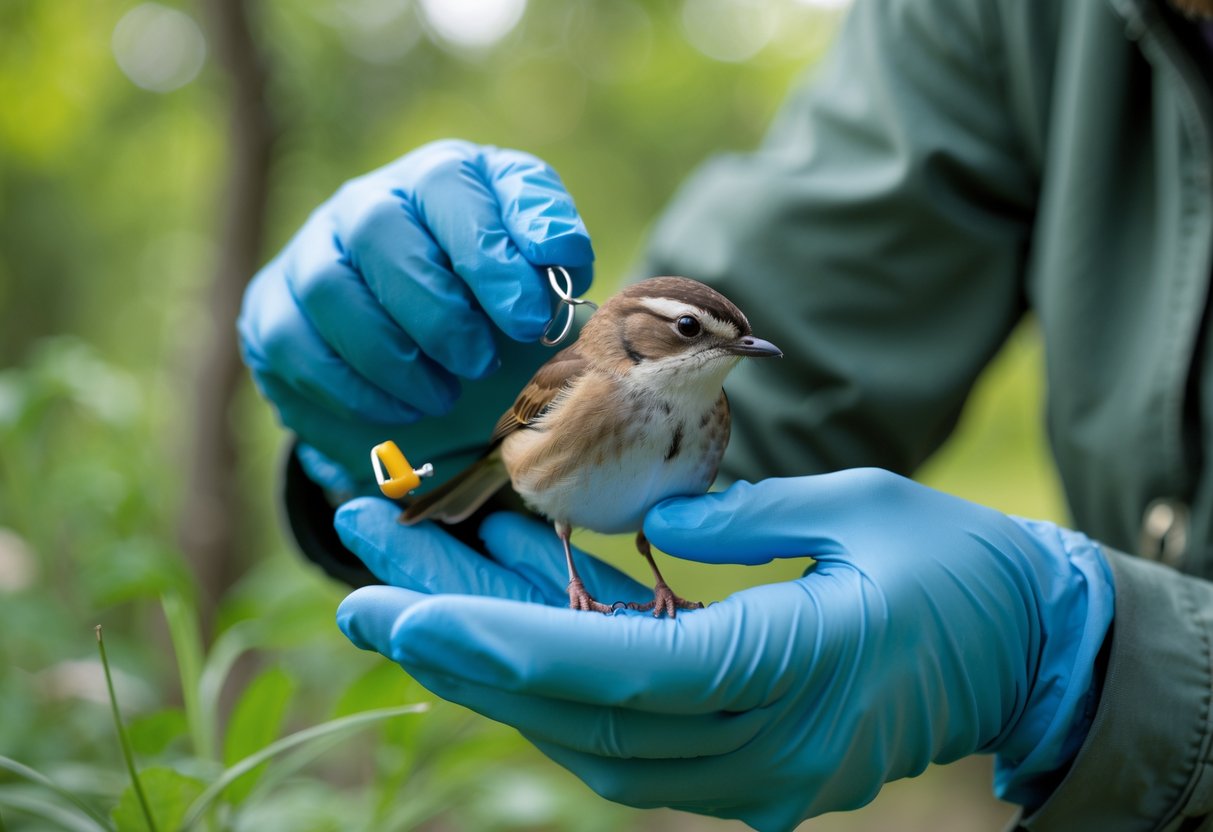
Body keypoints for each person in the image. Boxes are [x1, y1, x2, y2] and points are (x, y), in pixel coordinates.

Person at [237, 0, 1213, 828]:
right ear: (640, 340)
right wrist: (395, 416)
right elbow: (825, 318)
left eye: (733, 344)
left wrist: (1126, 671)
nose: (734, 359)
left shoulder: (709, 410)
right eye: (697, 338)